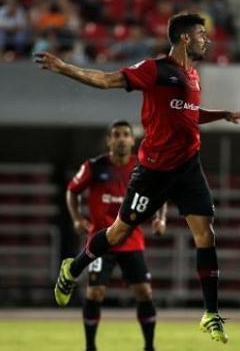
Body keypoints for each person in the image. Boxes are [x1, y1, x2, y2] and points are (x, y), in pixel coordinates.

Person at [35, 13, 240, 344]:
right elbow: (107, 80)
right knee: (119, 231)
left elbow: (188, 116)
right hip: (153, 171)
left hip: (188, 167)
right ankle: (73, 269)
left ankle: (210, 313)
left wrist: (221, 114)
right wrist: (65, 68)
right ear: (183, 39)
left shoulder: (192, 75)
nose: (207, 40)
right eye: (201, 34)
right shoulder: (155, 70)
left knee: (205, 233)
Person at [67, 121, 165, 351]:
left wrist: (160, 219)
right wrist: (76, 219)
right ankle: (90, 347)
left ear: (132, 140)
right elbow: (72, 191)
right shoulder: (95, 166)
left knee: (144, 292)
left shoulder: (141, 167)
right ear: (109, 140)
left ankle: (149, 346)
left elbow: (160, 193)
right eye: (116, 135)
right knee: (95, 292)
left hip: (131, 239)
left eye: (125, 135)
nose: (121, 138)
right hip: (101, 241)